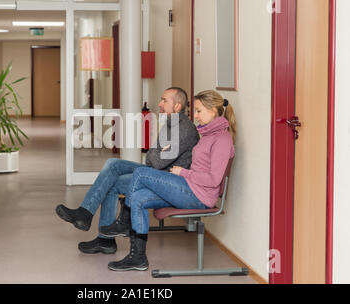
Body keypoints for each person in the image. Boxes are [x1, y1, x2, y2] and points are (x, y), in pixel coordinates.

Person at [103, 90, 237, 271]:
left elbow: (213, 180)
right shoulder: (207, 134)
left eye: (199, 111)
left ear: (213, 110)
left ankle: (124, 221)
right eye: (195, 111)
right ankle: (138, 257)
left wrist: (183, 173)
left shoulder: (221, 139)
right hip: (189, 188)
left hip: (199, 196)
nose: (195, 116)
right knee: (138, 198)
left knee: (141, 173)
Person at [55, 87, 199, 255]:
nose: (159, 104)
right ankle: (86, 213)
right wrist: (157, 152)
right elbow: (150, 156)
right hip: (154, 171)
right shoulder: (170, 124)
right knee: (113, 164)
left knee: (112, 184)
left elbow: (158, 161)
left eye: (164, 101)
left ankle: (102, 237)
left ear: (177, 106)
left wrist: (156, 153)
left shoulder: (184, 129)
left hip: (164, 180)